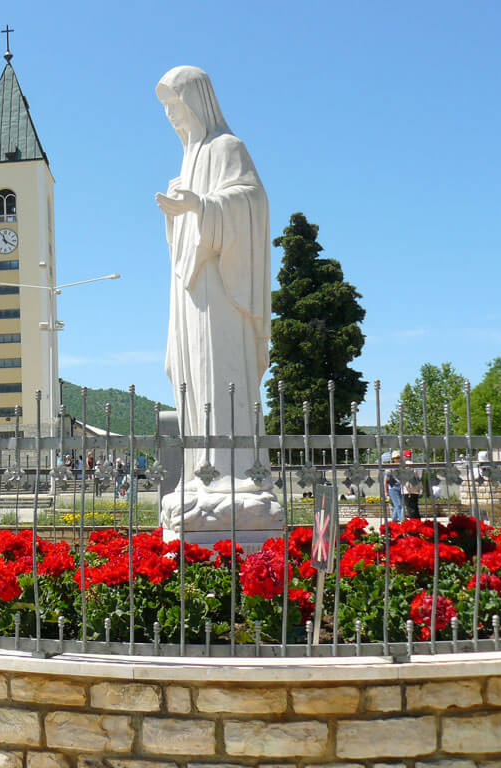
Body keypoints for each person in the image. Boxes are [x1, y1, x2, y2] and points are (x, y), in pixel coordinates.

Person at [154, 66, 277, 529]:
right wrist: (177, 214)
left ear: (197, 101)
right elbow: (183, 235)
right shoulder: (188, 160)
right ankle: (200, 474)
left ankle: (237, 474)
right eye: (165, 106)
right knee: (190, 375)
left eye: (174, 104)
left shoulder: (228, 148)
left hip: (222, 290)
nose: (169, 114)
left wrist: (200, 206)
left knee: (220, 371)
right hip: (189, 289)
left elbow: (253, 202)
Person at [401, 449, 422, 520]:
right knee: (415, 506)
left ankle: (414, 524)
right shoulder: (415, 465)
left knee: (410, 508)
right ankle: (418, 522)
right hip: (416, 489)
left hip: (407, 490)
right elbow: (419, 476)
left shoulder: (404, 466)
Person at [383, 452, 404, 523]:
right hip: (393, 488)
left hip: (401, 487)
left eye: (399, 457)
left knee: (397, 505)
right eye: (397, 458)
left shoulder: (402, 466)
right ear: (393, 459)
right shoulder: (390, 468)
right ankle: (402, 521)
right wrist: (386, 492)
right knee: (399, 505)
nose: (399, 459)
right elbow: (385, 481)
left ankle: (394, 520)